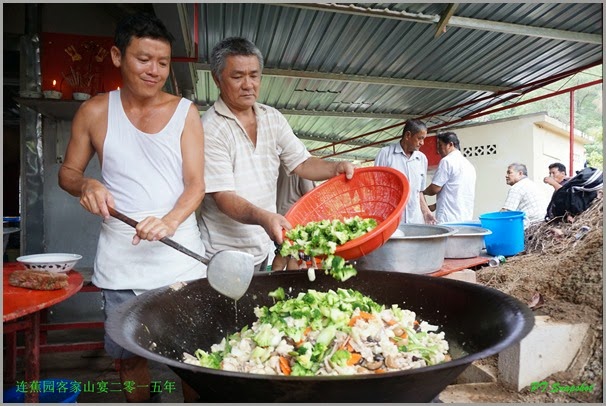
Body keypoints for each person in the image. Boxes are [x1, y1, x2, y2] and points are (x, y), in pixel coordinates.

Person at [58, 13, 205, 403]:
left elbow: (196, 185)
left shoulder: (184, 113)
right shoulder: (94, 111)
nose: (154, 70)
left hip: (181, 263)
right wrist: (86, 183)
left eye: (162, 62)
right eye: (143, 59)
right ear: (117, 56)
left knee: (192, 360)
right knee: (128, 359)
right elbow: (68, 173)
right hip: (120, 264)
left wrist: (170, 221)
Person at [198, 37, 354, 272]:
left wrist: (335, 168)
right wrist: (264, 217)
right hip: (223, 254)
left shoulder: (271, 117)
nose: (248, 84)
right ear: (217, 79)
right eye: (237, 76)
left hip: (262, 246)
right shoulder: (210, 127)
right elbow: (223, 197)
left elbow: (302, 163)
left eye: (254, 75)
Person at [374, 119, 436, 225]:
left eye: (423, 139)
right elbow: (378, 189)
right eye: (420, 138)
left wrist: (426, 212)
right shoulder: (386, 154)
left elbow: (419, 192)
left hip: (416, 220)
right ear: (408, 135)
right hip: (393, 220)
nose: (422, 143)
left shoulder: (421, 159)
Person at [423, 131, 476, 223]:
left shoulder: (447, 161)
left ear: (450, 145)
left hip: (448, 218)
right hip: (465, 217)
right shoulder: (469, 165)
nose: (438, 150)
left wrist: (421, 192)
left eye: (440, 145)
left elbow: (434, 189)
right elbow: (456, 193)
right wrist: (435, 206)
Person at [271, 164, 316, 270]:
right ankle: (290, 284)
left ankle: (272, 282)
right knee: (293, 256)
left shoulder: (278, 164)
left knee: (282, 252)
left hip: (277, 215)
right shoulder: (302, 165)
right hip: (294, 216)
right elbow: (309, 192)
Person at [501, 163, 548, 228]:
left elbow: (506, 212)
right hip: (542, 224)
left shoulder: (517, 187)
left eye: (509, 173)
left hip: (530, 225)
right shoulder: (531, 184)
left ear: (520, 173)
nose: (506, 176)